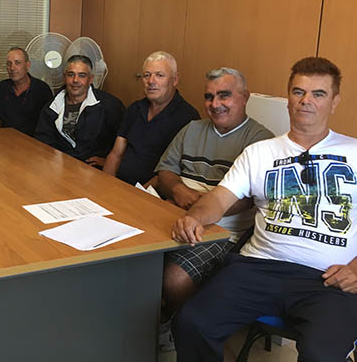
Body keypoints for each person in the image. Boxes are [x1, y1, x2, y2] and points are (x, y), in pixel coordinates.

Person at [171, 57, 357, 361]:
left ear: (335, 101)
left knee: (321, 354)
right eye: (298, 92)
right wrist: (195, 216)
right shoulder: (259, 152)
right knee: (192, 323)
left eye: (318, 94)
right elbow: (218, 199)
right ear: (289, 98)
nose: (306, 101)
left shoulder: (354, 152)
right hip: (257, 267)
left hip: (327, 279)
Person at [154, 67, 273, 350]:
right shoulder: (192, 129)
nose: (215, 103)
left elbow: (251, 199)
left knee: (174, 279)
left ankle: (180, 326)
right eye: (209, 96)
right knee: (129, 259)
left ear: (245, 97)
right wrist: (179, 190)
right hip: (175, 214)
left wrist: (200, 206)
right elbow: (165, 172)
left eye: (224, 95)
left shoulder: (261, 141)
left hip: (223, 231)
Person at [103, 51, 199, 185]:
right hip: (119, 185)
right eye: (146, 75)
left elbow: (171, 172)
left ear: (175, 80)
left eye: (159, 75)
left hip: (152, 192)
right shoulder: (135, 108)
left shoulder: (188, 118)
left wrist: (138, 193)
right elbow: (116, 154)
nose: (151, 81)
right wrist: (106, 185)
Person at [35, 55, 125, 167]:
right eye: (71, 74)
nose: (75, 80)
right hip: (57, 165)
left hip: (93, 169)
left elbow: (123, 140)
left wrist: (108, 160)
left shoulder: (110, 105)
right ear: (64, 78)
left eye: (82, 75)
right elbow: (42, 140)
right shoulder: (51, 107)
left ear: (90, 79)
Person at [0, 47, 53, 136]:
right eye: (9, 64)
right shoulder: (1, 87)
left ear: (27, 65)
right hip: (5, 138)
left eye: (17, 63)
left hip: (33, 140)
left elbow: (48, 123)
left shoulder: (42, 89)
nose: (12, 68)